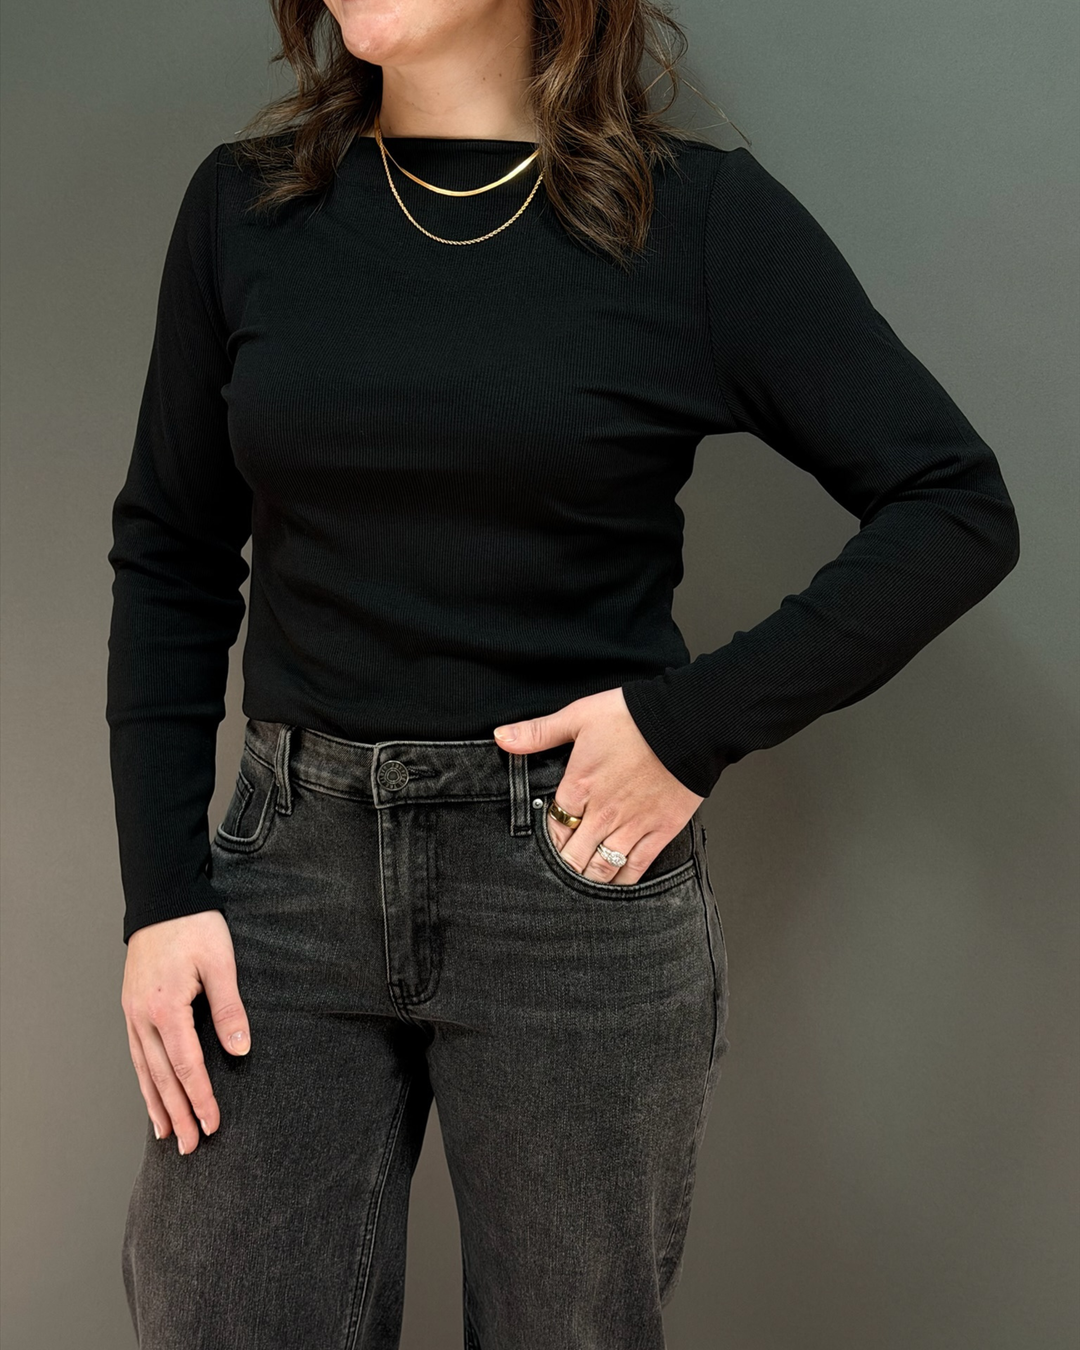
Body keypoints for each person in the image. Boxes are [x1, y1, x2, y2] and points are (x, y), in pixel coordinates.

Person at [106, 0, 1021, 1344]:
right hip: (284, 883)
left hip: (568, 881)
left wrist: (686, 726)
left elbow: (954, 505)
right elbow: (174, 555)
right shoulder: (244, 212)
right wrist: (160, 897)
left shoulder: (689, 220)